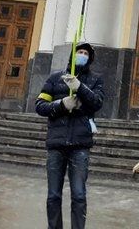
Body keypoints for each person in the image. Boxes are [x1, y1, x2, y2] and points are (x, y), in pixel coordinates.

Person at [35, 43, 104, 229]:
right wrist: (62, 105)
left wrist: (80, 87)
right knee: (53, 195)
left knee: (79, 195)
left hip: (80, 145)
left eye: (85, 54)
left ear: (90, 58)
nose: (82, 55)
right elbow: (40, 106)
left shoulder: (95, 80)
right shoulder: (55, 78)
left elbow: (97, 103)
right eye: (79, 52)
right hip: (56, 144)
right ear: (72, 56)